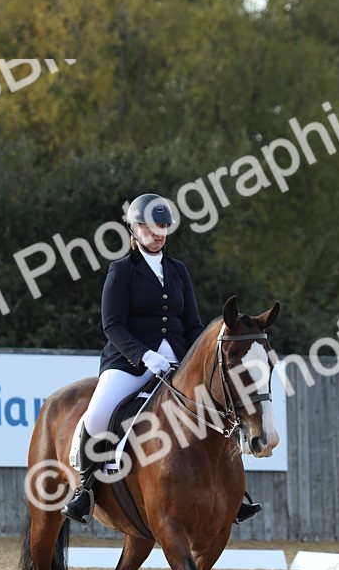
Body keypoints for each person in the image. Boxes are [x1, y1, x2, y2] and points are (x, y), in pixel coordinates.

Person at [62, 192, 263, 526]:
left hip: (179, 364)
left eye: (163, 227)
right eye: (151, 227)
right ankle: (86, 490)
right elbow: (112, 324)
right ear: (135, 229)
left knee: (218, 411)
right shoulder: (122, 271)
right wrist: (144, 355)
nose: (158, 233)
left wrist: (194, 360)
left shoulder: (178, 270)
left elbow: (194, 324)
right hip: (129, 362)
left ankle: (234, 494)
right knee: (98, 416)